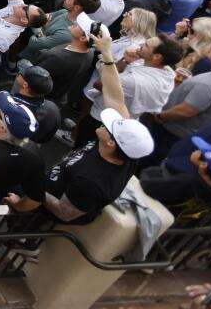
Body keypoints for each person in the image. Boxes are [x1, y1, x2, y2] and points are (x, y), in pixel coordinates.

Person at [43, 32, 154, 224]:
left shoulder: (92, 183)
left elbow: (63, 212)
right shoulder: (125, 150)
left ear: (112, 142)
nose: (105, 123)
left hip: (42, 213)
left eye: (110, 126)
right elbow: (115, 96)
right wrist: (109, 55)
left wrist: (33, 189)